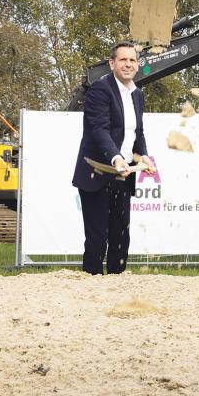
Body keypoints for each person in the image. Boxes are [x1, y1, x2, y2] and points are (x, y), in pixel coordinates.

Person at [71, 41, 155, 275]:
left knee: (121, 236)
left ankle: (117, 284)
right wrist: (116, 158)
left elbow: (138, 133)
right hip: (98, 172)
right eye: (123, 60)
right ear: (112, 63)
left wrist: (143, 156)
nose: (128, 64)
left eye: (132, 60)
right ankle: (92, 285)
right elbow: (99, 129)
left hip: (124, 175)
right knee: (97, 238)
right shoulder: (100, 90)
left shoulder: (137, 94)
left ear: (137, 65)